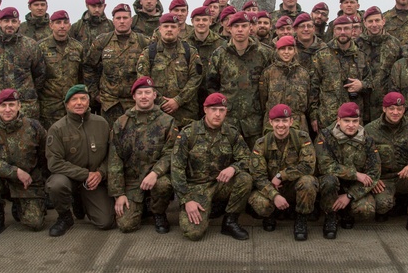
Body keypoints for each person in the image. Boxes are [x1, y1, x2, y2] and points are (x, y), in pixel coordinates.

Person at [170, 93, 254, 241]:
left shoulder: (231, 133)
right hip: (196, 188)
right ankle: (210, 208)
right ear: (205, 109)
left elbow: (247, 158)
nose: (217, 114)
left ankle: (230, 221)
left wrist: (233, 168)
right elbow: (177, 168)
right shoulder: (189, 133)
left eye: (222, 110)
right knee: (193, 233)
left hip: (220, 184)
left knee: (245, 179)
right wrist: (186, 199)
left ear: (226, 112)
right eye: (213, 109)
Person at [108, 77, 179, 234]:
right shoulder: (121, 122)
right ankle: (142, 206)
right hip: (132, 180)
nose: (144, 96)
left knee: (164, 185)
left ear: (155, 95)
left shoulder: (167, 121)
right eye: (139, 93)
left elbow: (171, 153)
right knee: (126, 225)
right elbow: (115, 159)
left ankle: (158, 212)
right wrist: (118, 194)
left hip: (155, 177)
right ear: (134, 97)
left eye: (148, 92)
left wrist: (156, 173)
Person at [0, 89, 49, 237]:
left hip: (26, 182)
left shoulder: (33, 127)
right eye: (3, 105)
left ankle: (20, 204)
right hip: (0, 181)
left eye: (11, 105)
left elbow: (44, 156)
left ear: (19, 106)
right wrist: (15, 172)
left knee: (35, 223)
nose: (7, 109)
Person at [45, 85, 115, 236]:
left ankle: (82, 202)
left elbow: (112, 154)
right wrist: (84, 174)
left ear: (89, 102)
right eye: (74, 99)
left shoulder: (101, 123)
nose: (79, 103)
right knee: (56, 185)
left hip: (94, 180)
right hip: (69, 178)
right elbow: (54, 162)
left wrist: (100, 173)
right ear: (67, 104)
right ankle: (65, 216)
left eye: (83, 99)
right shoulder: (57, 129)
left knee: (105, 222)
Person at [365, 92, 408, 236]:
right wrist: (373, 178)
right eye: (392, 108)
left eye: (399, 109)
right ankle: (397, 204)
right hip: (384, 180)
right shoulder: (370, 129)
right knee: (382, 206)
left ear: (404, 110)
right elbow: (362, 158)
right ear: (384, 109)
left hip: (405, 177)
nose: (396, 112)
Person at [249, 104, 318, 241]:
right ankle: (270, 214)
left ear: (291, 122)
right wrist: (274, 196)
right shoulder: (262, 144)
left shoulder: (302, 138)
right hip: (271, 188)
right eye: (277, 121)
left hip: (293, 187)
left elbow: (308, 166)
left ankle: (301, 219)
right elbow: (258, 177)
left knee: (308, 182)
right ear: (271, 122)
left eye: (285, 121)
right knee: (261, 204)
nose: (281, 125)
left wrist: (281, 175)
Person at [206, 11, 274, 146]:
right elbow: (211, 86)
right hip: (228, 121)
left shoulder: (264, 53)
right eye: (236, 26)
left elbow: (270, 85)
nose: (240, 30)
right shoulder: (219, 54)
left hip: (254, 121)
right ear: (229, 29)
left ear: (250, 28)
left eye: (244, 26)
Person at [315, 102, 381, 239]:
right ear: (338, 120)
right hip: (334, 184)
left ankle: (347, 212)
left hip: (353, 187)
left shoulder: (367, 139)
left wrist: (350, 195)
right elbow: (324, 165)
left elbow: (374, 172)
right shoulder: (325, 136)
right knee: (329, 181)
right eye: (347, 121)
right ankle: (331, 216)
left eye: (355, 121)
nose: (351, 125)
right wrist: (355, 174)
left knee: (366, 210)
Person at [0, 6, 47, 120]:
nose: (10, 25)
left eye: (13, 21)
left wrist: (27, 93)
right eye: (6, 21)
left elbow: (40, 75)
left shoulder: (30, 45)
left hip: (25, 107)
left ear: (19, 23)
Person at [83, 3, 150, 125]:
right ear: (113, 20)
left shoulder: (143, 42)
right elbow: (88, 67)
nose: (122, 21)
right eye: (118, 18)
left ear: (131, 20)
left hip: (135, 103)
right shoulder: (102, 41)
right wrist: (95, 94)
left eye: (125, 18)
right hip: (109, 104)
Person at [136, 13, 202, 127]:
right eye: (166, 26)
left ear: (179, 29)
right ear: (160, 29)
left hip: (186, 114)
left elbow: (196, 79)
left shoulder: (189, 52)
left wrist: (178, 100)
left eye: (173, 26)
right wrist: (162, 102)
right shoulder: (149, 53)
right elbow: (143, 81)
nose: (169, 29)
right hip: (158, 113)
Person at [310, 15, 372, 133]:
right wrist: (313, 116)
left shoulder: (361, 56)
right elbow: (313, 88)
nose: (342, 32)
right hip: (328, 118)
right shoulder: (322, 55)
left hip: (353, 119)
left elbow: (371, 83)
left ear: (352, 30)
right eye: (339, 29)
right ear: (334, 31)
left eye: (346, 28)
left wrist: (362, 85)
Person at [37, 10, 85, 125]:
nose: (62, 26)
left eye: (65, 22)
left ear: (69, 25)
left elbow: (81, 75)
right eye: (58, 22)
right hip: (49, 105)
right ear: (51, 25)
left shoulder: (77, 47)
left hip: (72, 103)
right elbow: (36, 76)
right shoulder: (41, 47)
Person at [259, 35, 313, 133]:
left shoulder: (304, 73)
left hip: (298, 122)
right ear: (277, 51)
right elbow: (263, 99)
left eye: (290, 49)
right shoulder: (268, 73)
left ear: (295, 51)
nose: (286, 52)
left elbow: (309, 99)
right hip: (274, 123)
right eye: (283, 49)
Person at [358, 6, 401, 123]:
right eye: (370, 21)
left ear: (383, 21)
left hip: (386, 102)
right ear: (365, 23)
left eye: (377, 20)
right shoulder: (357, 45)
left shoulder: (394, 43)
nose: (374, 24)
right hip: (362, 101)